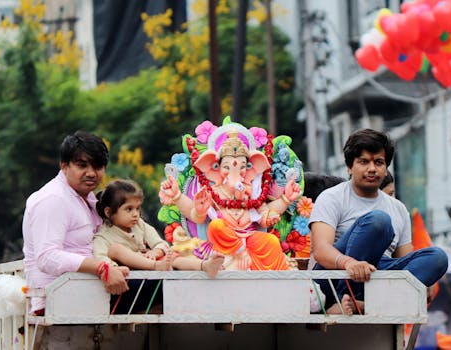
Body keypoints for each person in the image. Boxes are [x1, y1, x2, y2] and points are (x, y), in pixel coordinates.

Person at [309, 128, 448, 315]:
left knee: (437, 257)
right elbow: (321, 250)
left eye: (379, 162)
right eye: (364, 162)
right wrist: (349, 263)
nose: (372, 169)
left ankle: (366, 304)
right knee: (379, 222)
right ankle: (345, 299)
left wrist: (422, 282)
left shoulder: (398, 209)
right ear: (350, 167)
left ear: (386, 168)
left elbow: (403, 264)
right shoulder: (332, 197)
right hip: (335, 276)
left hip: (377, 277)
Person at [159, 127, 301, 270]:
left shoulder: (252, 191)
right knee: (216, 227)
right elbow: (196, 216)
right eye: (227, 167)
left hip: (249, 235)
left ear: (250, 168)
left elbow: (263, 214)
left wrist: (284, 200)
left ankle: (271, 271)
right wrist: (181, 199)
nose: (236, 171)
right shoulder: (214, 191)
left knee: (271, 241)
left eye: (242, 167)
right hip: (225, 241)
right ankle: (240, 253)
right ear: (216, 168)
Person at [22, 131, 129, 315]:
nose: (91, 173)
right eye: (82, 166)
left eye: (98, 166)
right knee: (165, 290)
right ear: (64, 166)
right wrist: (101, 268)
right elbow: (46, 256)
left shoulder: (88, 199)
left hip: (87, 289)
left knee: (167, 280)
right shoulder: (53, 199)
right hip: (59, 297)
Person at [94, 179, 224, 277]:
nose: (135, 214)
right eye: (129, 209)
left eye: (137, 208)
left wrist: (155, 252)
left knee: (173, 256)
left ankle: (205, 266)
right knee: (116, 249)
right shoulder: (103, 236)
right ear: (108, 212)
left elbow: (160, 243)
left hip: (151, 267)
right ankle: (157, 266)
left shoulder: (139, 224)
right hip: (129, 274)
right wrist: (113, 268)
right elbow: (100, 258)